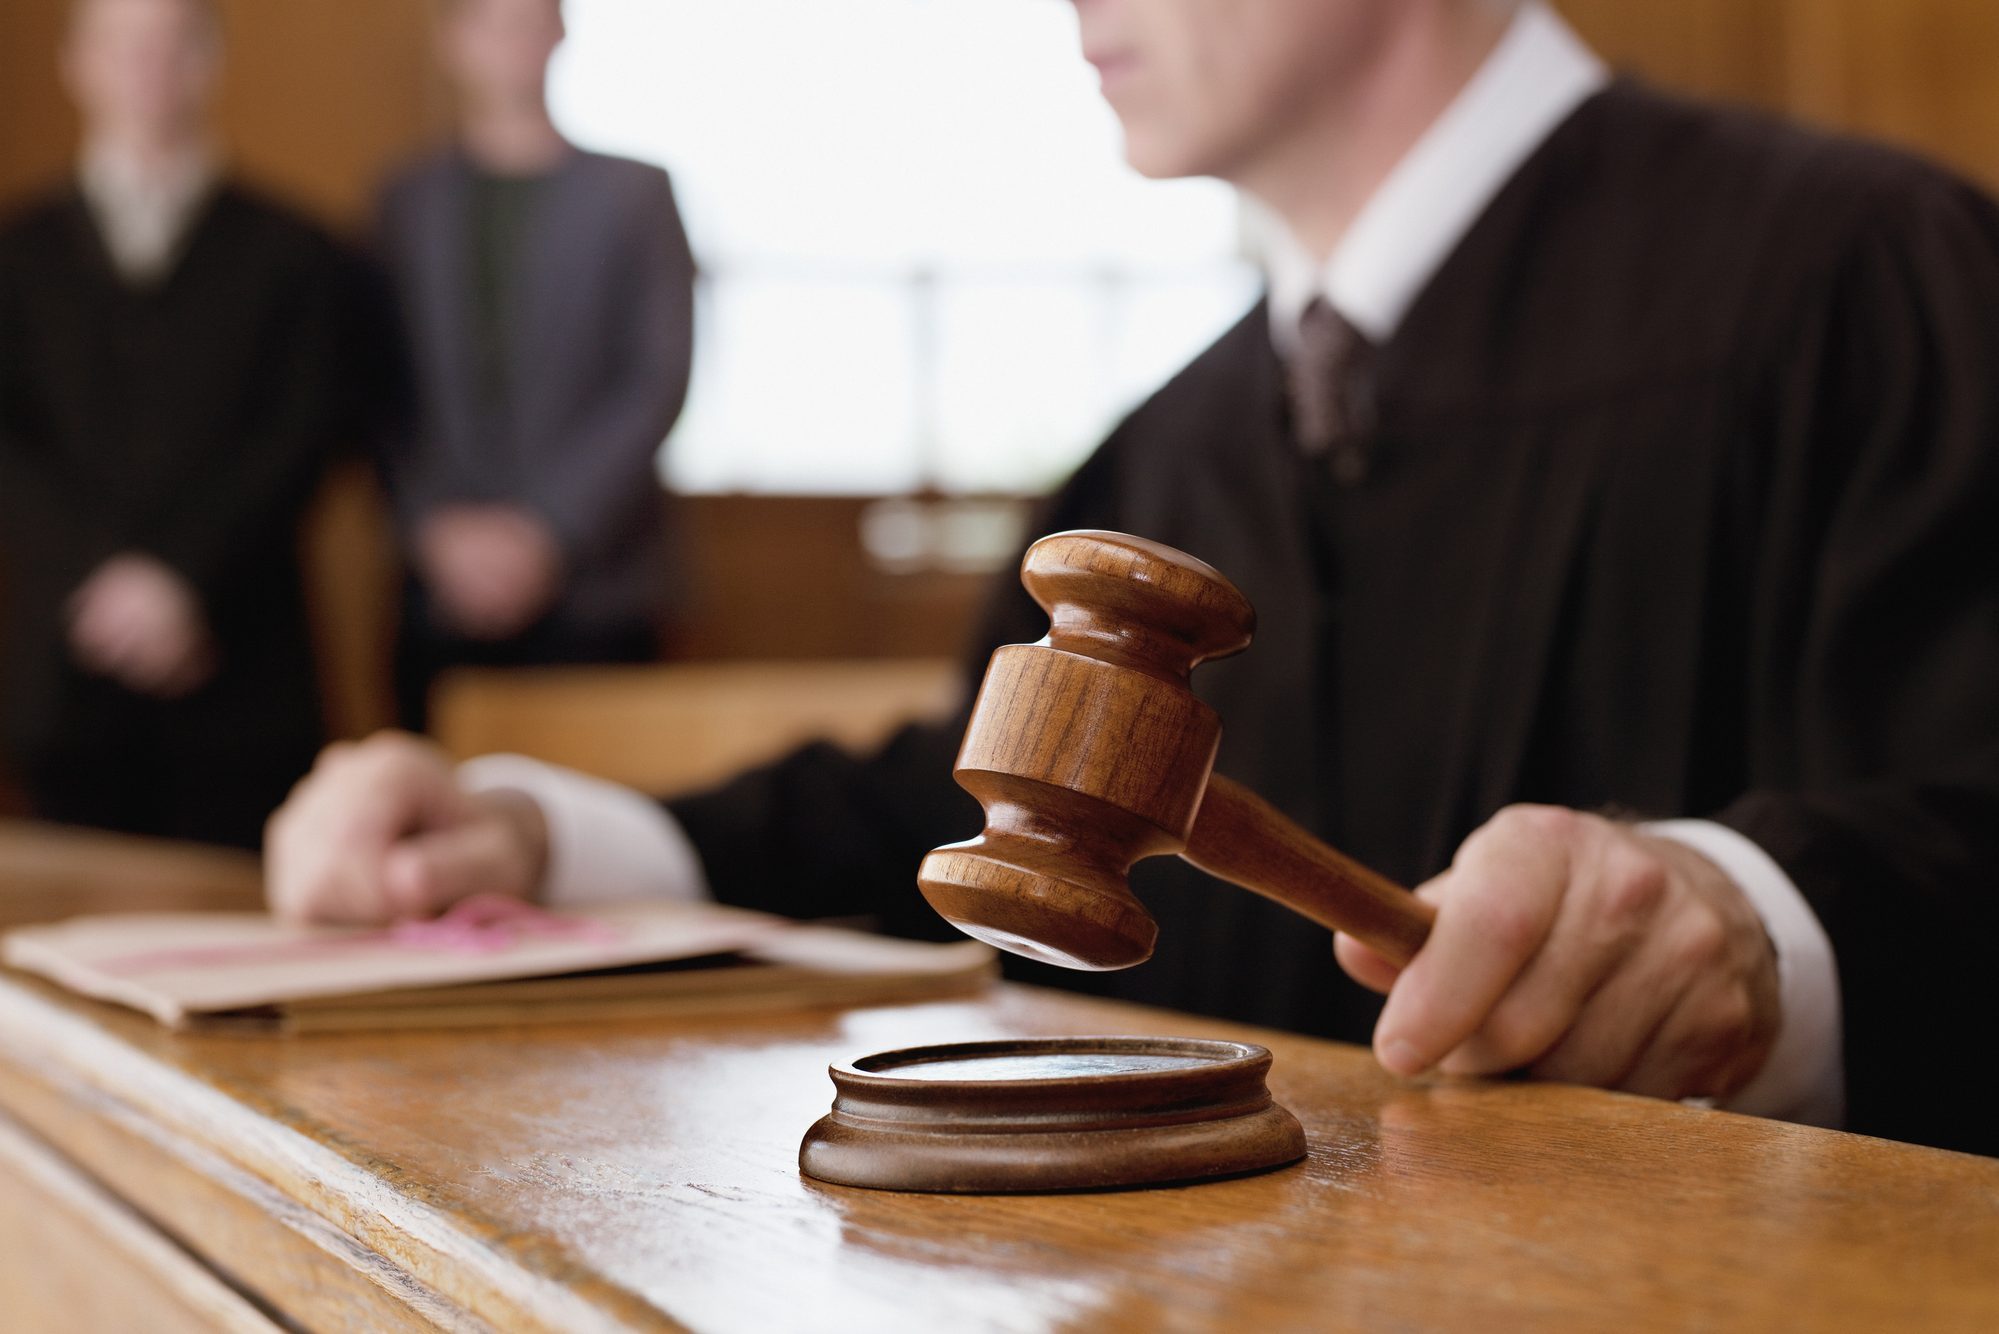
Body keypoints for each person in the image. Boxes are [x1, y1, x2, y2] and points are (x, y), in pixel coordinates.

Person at [267, 0, 1999, 1158]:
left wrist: (1762, 925)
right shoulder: (1167, 444)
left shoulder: (1864, 280)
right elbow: (969, 816)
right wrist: (535, 844)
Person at [0, 0, 349, 850]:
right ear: (76, 64)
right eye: (123, 47)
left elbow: (304, 432)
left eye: (173, 47)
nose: (148, 70)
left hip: (245, 672)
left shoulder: (297, 253)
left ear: (211, 63)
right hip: (63, 670)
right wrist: (106, 577)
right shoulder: (15, 255)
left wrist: (181, 577)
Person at [377, 0, 697, 729]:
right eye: (490, 19)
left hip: (599, 588)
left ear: (560, 31)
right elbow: (379, 391)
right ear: (451, 40)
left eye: (530, 17)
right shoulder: (404, 203)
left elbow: (656, 379)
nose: (511, 39)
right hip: (439, 591)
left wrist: (545, 532)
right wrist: (437, 528)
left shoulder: (635, 194)